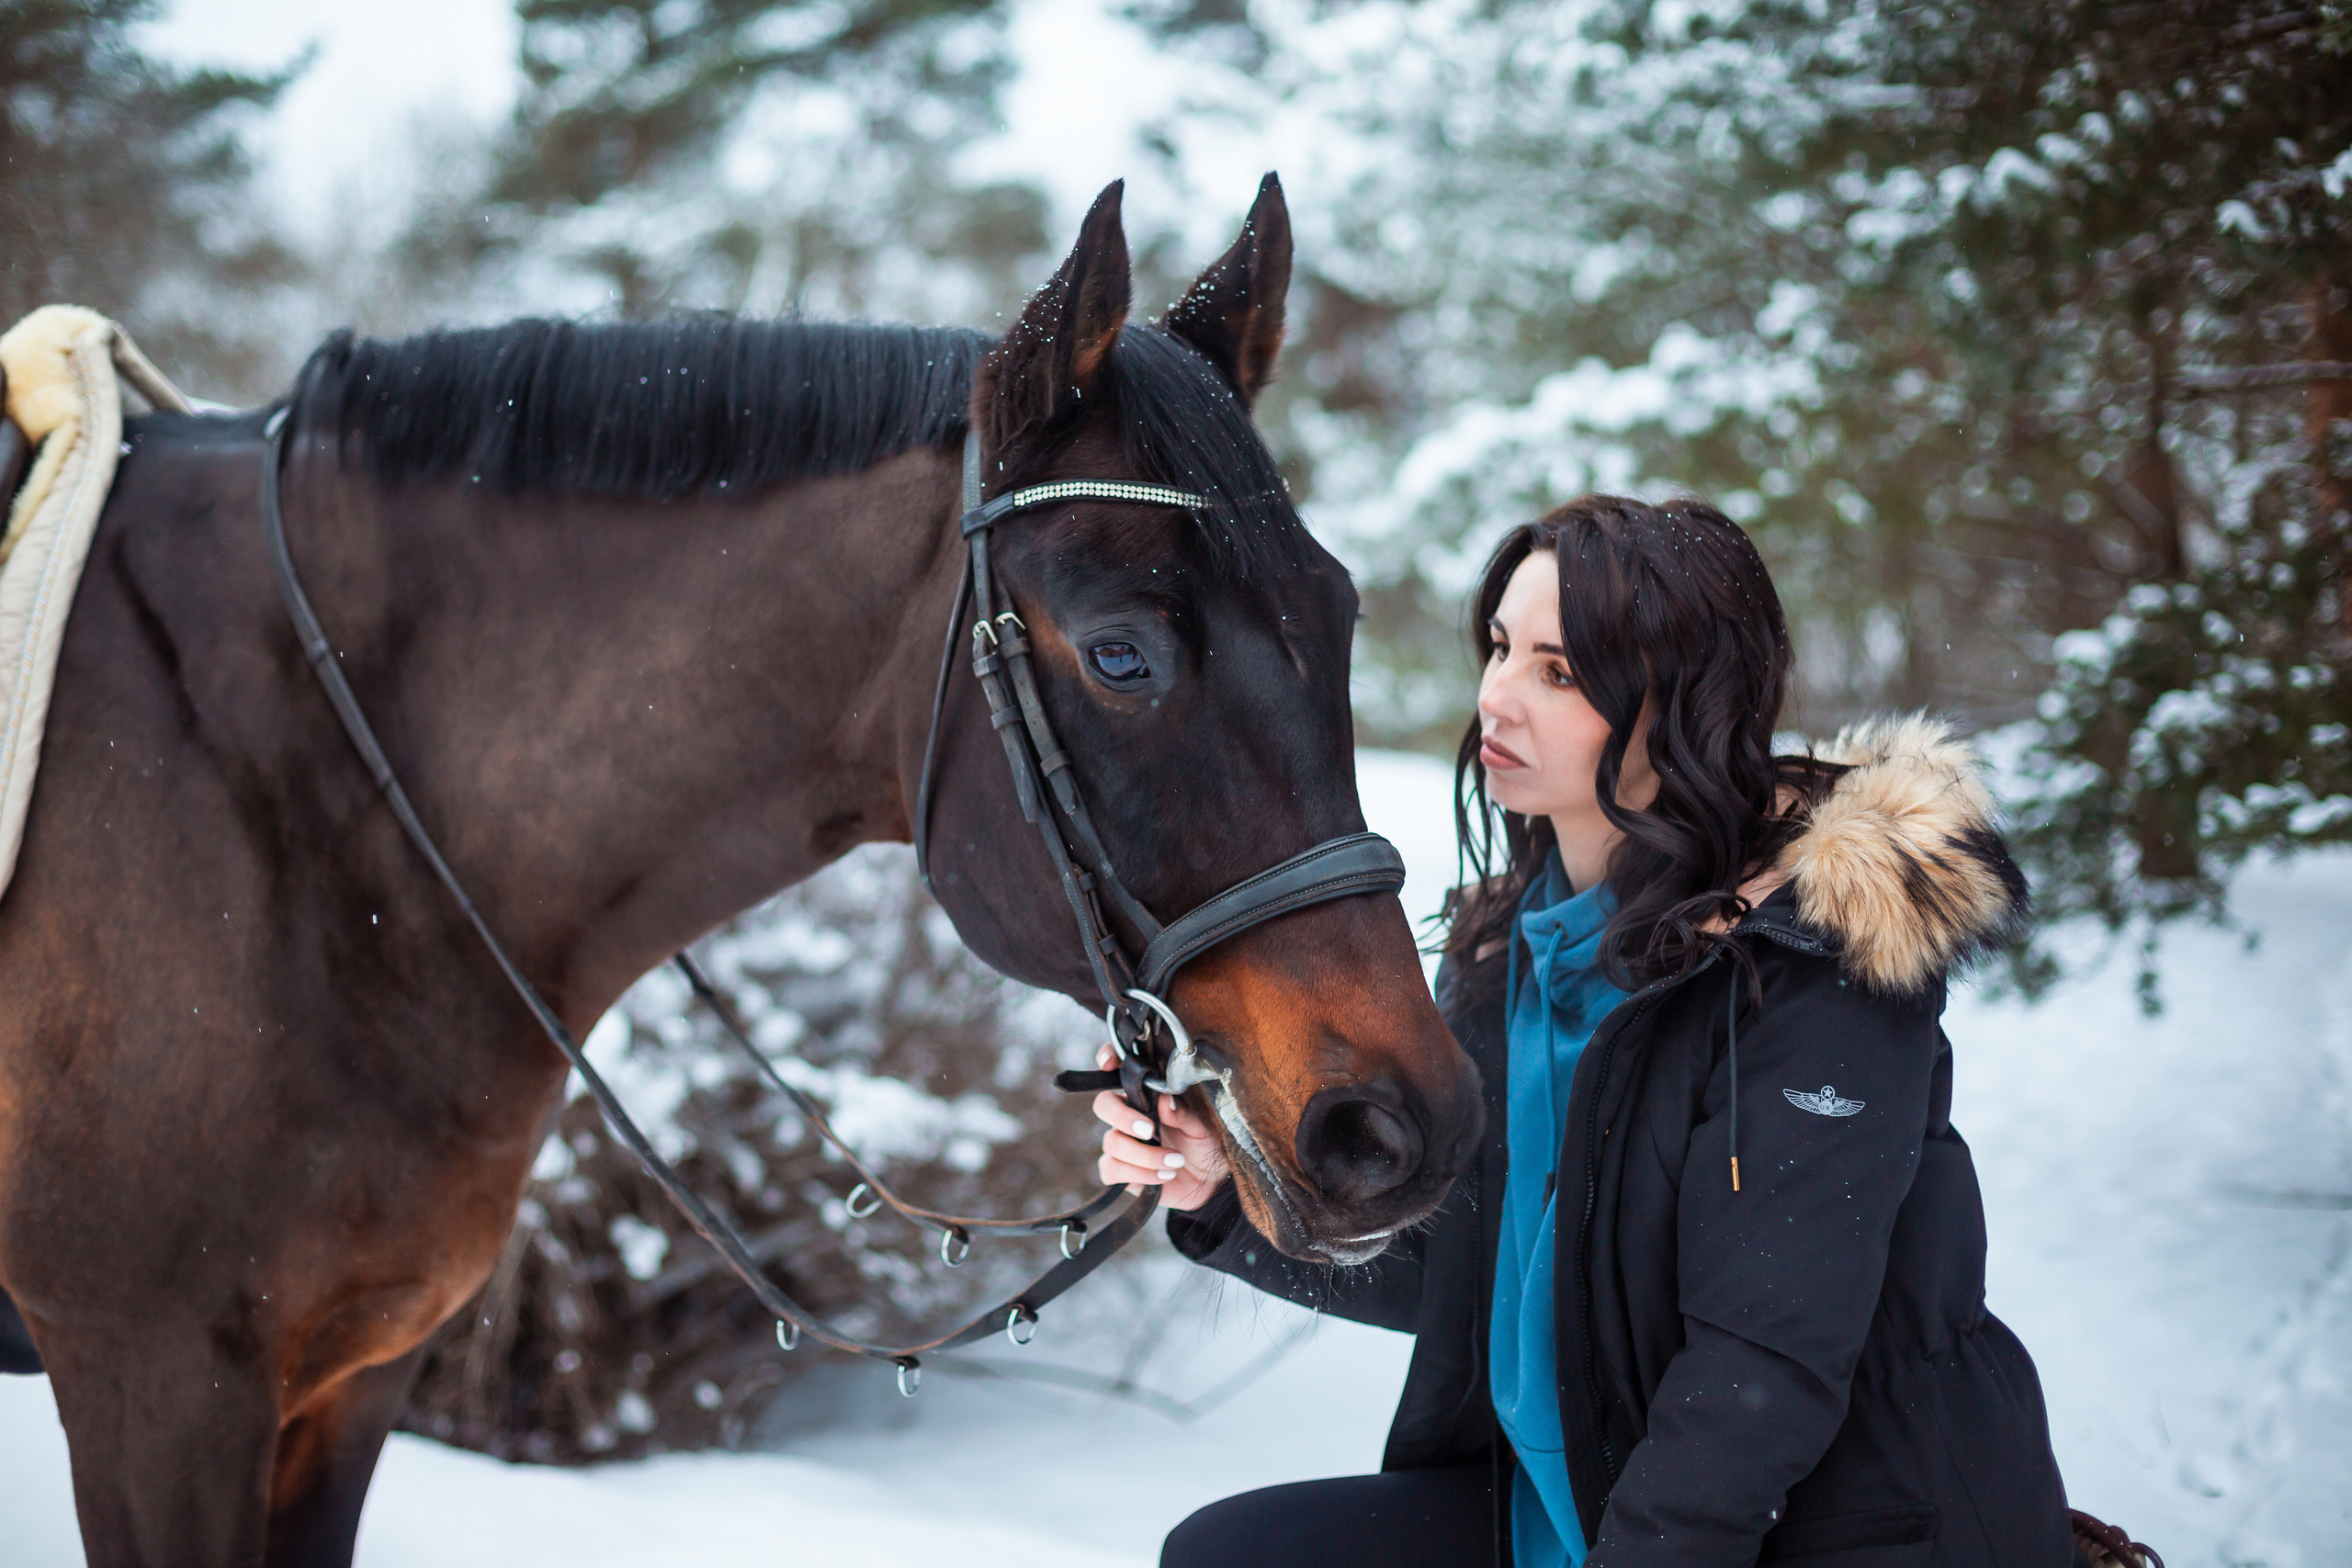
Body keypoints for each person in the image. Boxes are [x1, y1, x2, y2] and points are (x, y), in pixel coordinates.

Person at [1097, 493, 2084, 1567]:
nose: (1495, 699)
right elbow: (1476, 1278)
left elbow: (1761, 1370)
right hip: (1574, 1504)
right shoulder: (1513, 955)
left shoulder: (1810, 970)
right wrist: (1220, 1185)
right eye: (1500, 648)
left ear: (1685, 706)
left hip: (1829, 1531)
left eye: (1559, 674)